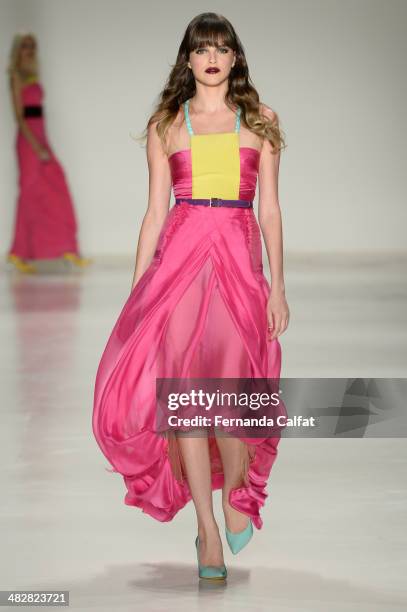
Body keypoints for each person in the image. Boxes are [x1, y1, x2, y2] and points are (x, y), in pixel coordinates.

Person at [92, 12, 290, 581]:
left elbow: (269, 209)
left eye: (222, 49)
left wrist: (279, 285)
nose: (211, 58)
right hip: (179, 266)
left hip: (238, 263)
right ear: (187, 58)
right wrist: (137, 297)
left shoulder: (261, 120)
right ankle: (206, 526)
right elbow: (155, 213)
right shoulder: (166, 124)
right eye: (202, 48)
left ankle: (235, 493)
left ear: (235, 59)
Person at [6, 32, 91, 273]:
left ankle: (67, 248)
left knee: (56, 190)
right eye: (25, 46)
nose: (30, 50)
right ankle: (18, 253)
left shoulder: (33, 75)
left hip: (41, 139)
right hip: (28, 142)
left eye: (33, 46)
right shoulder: (15, 76)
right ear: (17, 49)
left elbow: (37, 118)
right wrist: (36, 146)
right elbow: (21, 119)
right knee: (30, 195)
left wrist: (45, 144)